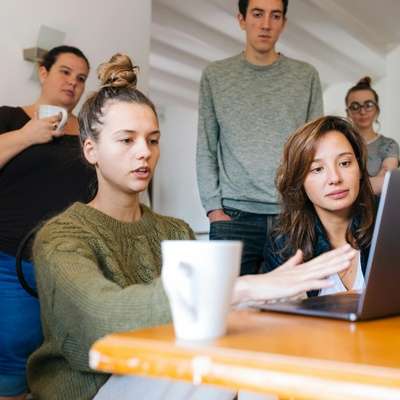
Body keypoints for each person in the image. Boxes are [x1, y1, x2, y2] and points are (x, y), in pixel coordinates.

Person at [28, 54, 355, 400]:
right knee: (222, 369)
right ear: (91, 149)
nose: (144, 152)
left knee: (260, 354)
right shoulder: (59, 237)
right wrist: (237, 288)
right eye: (127, 140)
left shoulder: (175, 231)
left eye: (153, 140)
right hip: (93, 389)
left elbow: (205, 324)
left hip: (169, 368)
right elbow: (101, 321)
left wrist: (275, 297)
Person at [196, 0, 323, 276]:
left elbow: (316, 149)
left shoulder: (306, 76)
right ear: (241, 19)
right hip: (232, 217)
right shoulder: (215, 76)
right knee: (228, 301)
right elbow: (206, 146)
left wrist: (310, 207)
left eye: (275, 15)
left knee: (290, 300)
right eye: (257, 14)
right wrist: (213, 209)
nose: (266, 24)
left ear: (283, 23)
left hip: (291, 215)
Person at [0, 45, 94, 399]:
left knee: (68, 364)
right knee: (11, 361)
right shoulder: (10, 118)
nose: (73, 83)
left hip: (71, 266)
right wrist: (28, 135)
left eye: (81, 78)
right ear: (43, 72)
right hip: (11, 261)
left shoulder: (88, 134)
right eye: (65, 72)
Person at [262, 116, 376, 297]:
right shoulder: (283, 244)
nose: (335, 178)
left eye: (345, 163)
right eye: (317, 169)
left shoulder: (389, 225)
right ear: (299, 181)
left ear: (360, 169)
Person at [345, 77, 399, 194]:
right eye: (355, 106)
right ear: (348, 112)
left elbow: (385, 182)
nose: (362, 111)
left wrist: (347, 189)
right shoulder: (341, 144)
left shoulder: (389, 145)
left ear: (377, 109)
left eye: (368, 105)